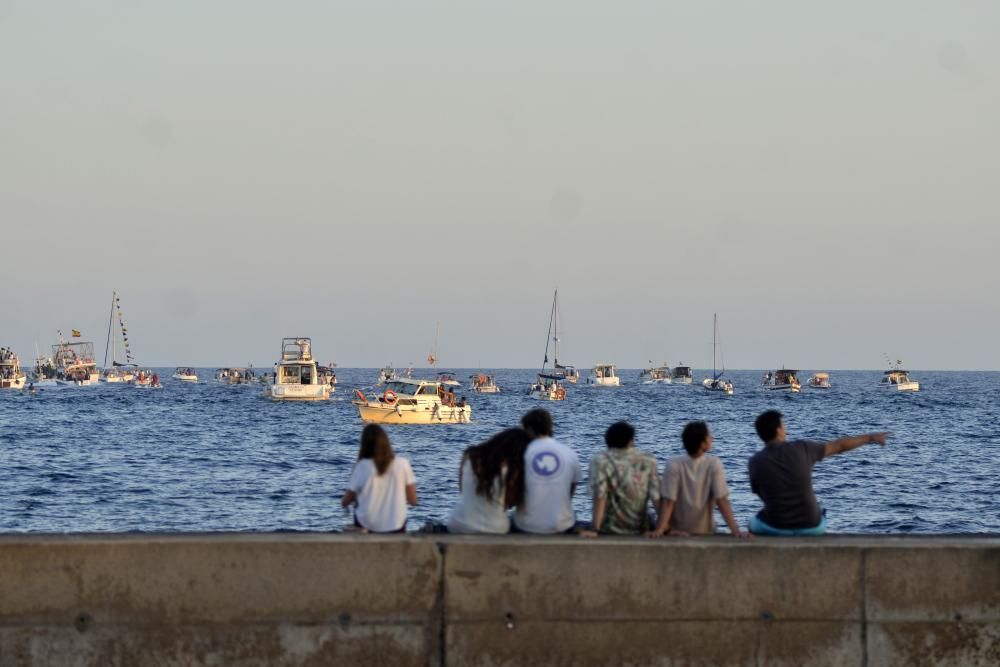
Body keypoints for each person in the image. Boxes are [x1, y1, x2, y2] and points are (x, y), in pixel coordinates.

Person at [748, 410, 889, 536]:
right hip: (812, 526)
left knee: (753, 521)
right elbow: (839, 446)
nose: (786, 429)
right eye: (784, 426)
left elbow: (762, 495)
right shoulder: (802, 448)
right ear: (778, 430)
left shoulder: (755, 462)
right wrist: (870, 438)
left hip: (775, 527)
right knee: (820, 509)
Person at [652, 421, 748, 538]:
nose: (712, 438)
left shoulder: (673, 464)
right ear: (703, 443)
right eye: (709, 436)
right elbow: (721, 500)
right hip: (704, 530)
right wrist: (735, 530)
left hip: (677, 530)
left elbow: (668, 502)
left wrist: (660, 529)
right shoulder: (713, 464)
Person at [447, 428, 533, 533]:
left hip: (458, 523)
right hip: (495, 528)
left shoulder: (469, 456)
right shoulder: (511, 469)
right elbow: (509, 503)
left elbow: (463, 491)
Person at [512, 409, 583, 533]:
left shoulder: (520, 454)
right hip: (562, 524)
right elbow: (571, 491)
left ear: (529, 429)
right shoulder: (570, 453)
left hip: (527, 525)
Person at [588, 422, 661, 535]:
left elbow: (600, 496)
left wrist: (595, 529)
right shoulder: (648, 459)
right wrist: (663, 527)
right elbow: (656, 496)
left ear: (607, 441)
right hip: (640, 528)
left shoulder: (600, 461)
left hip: (609, 528)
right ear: (631, 440)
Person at [342, 424, 417, 533]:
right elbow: (413, 501)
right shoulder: (403, 464)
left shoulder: (362, 465)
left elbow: (345, 502)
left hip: (367, 524)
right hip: (396, 525)